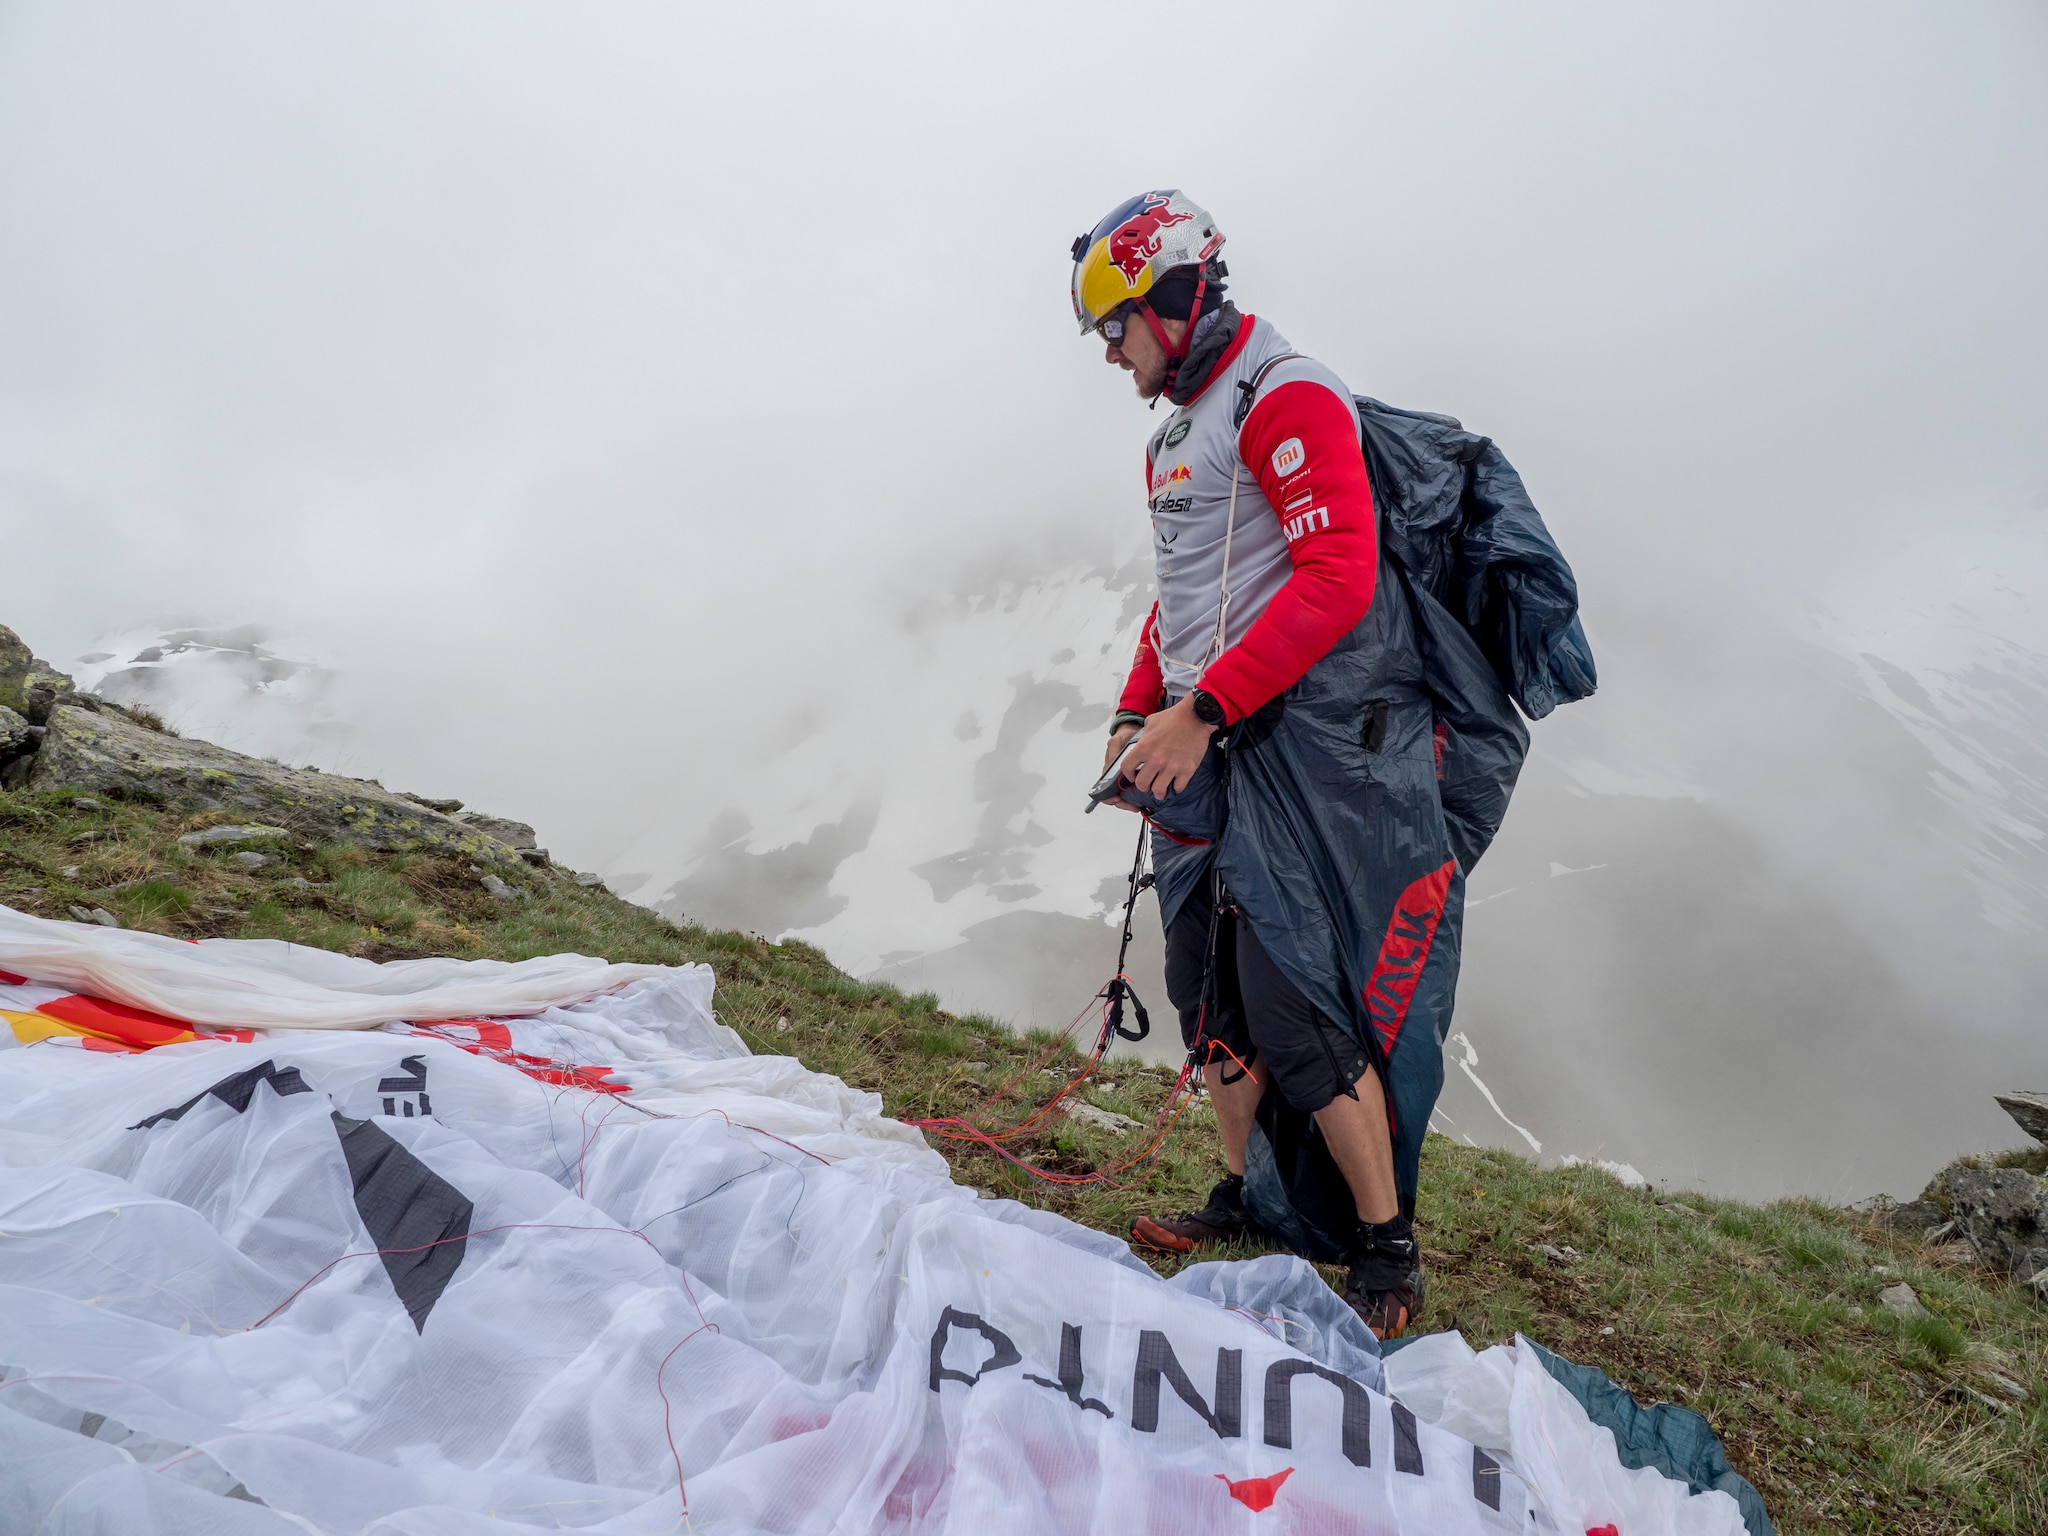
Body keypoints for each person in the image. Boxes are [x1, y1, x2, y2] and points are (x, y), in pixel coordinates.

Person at [1071, 190, 1420, 1338]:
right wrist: (1139, 712)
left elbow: (1338, 577)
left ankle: (1384, 1244)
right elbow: (1175, 600)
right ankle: (1246, 1194)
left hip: (1280, 750)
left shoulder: (1286, 395)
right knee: (1205, 992)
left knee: (1293, 1004)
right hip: (1195, 747)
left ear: (1171, 297)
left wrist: (1202, 709)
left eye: (1114, 323)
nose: (1108, 351)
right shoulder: (1172, 433)